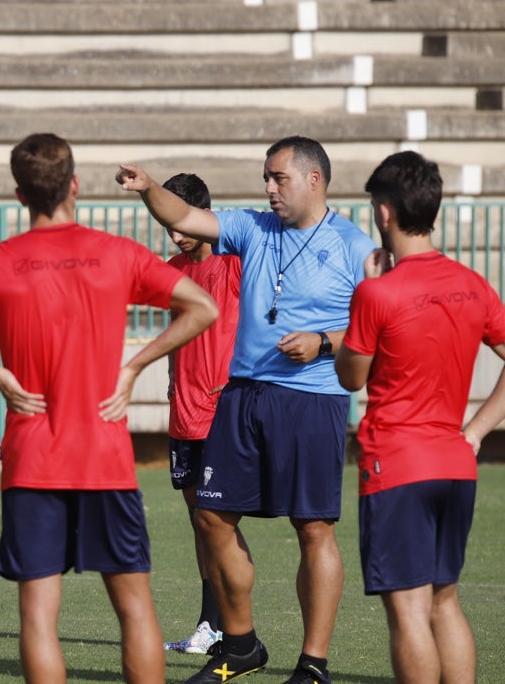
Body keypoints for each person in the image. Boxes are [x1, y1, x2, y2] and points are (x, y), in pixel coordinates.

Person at [0, 133, 218, 683]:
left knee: (38, 614)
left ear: (19, 195)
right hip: (105, 455)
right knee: (133, 607)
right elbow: (201, 306)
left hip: (32, 460)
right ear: (74, 185)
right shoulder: (117, 253)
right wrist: (134, 366)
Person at [117, 136, 383, 684]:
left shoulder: (356, 247)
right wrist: (148, 189)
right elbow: (186, 214)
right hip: (241, 395)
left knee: (313, 529)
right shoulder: (253, 227)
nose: (268, 188)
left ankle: (313, 664)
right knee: (211, 516)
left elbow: (376, 333)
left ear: (314, 179)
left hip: (313, 399)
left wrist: (325, 342)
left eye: (278, 178)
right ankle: (240, 645)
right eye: (266, 177)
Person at [335, 151, 505, 684]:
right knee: (445, 602)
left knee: (409, 611)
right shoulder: (471, 283)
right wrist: (476, 432)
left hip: (396, 467)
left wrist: (360, 294)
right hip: (454, 462)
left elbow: (350, 377)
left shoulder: (377, 291)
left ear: (383, 213)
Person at [159, 173, 244, 657]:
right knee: (199, 520)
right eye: (166, 223)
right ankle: (211, 625)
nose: (173, 233)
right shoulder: (173, 270)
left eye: (179, 221)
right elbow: (177, 332)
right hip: (183, 412)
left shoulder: (234, 265)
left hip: (220, 410)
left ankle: (232, 628)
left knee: (218, 520)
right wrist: (173, 375)